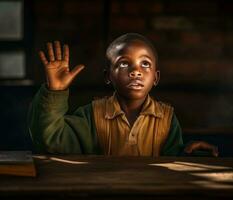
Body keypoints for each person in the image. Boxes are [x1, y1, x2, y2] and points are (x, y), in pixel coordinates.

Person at [28, 33, 218, 157]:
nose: (136, 71)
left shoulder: (167, 118)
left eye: (145, 64)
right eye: (124, 64)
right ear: (108, 76)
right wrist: (55, 91)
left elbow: (174, 159)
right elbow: (50, 140)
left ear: (156, 78)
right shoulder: (91, 115)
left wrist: (188, 152)